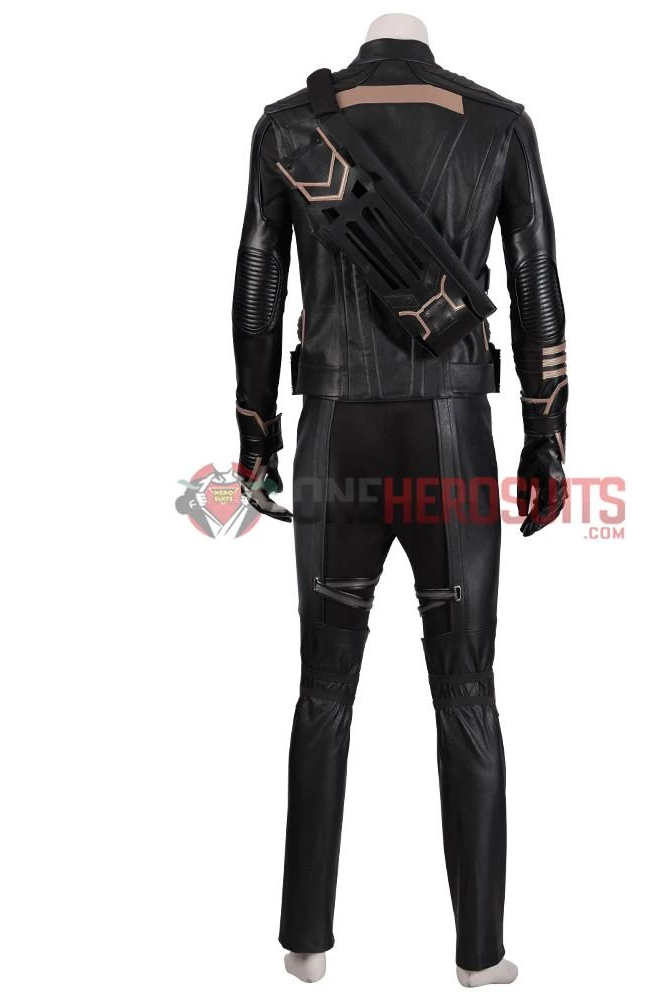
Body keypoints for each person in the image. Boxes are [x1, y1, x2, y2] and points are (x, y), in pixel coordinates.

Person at [231, 21, 568, 986]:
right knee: (467, 689)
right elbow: (539, 288)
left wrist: (255, 430)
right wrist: (547, 437)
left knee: (322, 689)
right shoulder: (500, 123)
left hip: (335, 428)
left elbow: (257, 288)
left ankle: (305, 942)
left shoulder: (289, 127)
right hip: (452, 435)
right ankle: (480, 957)